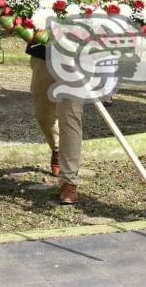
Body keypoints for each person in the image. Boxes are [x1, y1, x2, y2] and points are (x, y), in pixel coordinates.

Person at [26, 43, 84, 204]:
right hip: (43, 53)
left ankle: (68, 182)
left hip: (78, 59)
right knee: (43, 115)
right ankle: (57, 148)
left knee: (70, 118)